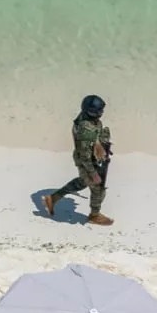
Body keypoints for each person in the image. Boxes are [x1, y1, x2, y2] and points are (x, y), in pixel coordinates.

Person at [42, 94, 113, 226]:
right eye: (99, 111)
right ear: (91, 112)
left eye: (101, 110)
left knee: (82, 182)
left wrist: (100, 144)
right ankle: (94, 215)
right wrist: (93, 173)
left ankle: (52, 199)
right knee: (98, 188)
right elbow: (85, 156)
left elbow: (93, 138)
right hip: (86, 160)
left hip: (89, 156)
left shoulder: (86, 118)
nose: (101, 113)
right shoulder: (86, 131)